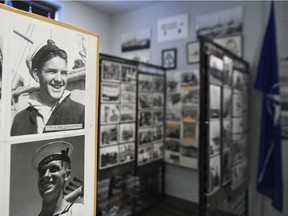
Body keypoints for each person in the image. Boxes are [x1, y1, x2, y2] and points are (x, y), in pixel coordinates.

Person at [11, 39, 85, 136]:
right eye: (52, 71)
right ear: (37, 75)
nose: (59, 79)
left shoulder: (80, 113)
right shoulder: (19, 120)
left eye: (63, 73)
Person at [31, 141, 83, 216]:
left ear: (67, 175)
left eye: (54, 169)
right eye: (42, 171)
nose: (46, 175)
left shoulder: (78, 212)